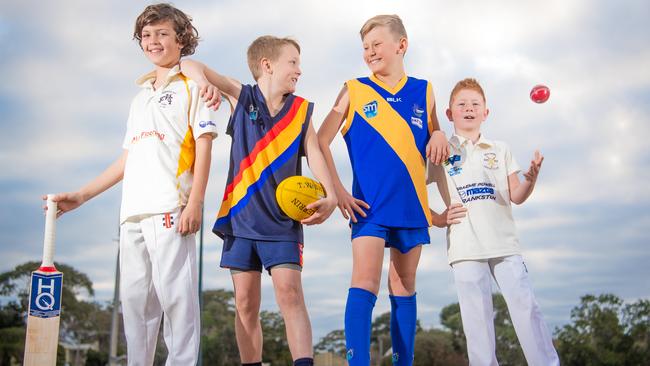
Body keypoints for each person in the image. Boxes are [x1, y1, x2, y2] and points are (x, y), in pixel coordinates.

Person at [44, 4, 218, 364]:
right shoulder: (139, 98)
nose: (153, 41)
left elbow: (204, 144)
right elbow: (130, 157)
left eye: (162, 33)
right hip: (132, 213)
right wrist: (82, 195)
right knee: (136, 306)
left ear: (182, 39)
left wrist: (196, 201)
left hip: (172, 208)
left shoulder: (194, 88)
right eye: (147, 35)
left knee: (177, 302)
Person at [180, 35, 337, 366]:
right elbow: (188, 63)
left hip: (282, 224)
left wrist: (331, 195)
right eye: (293, 62)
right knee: (245, 303)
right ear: (268, 65)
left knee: (290, 294)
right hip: (240, 219)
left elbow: (316, 154)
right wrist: (204, 84)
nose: (299, 70)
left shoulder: (301, 111)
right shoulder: (241, 96)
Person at [317, 14, 449, 366]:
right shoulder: (354, 89)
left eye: (377, 44)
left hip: (411, 207)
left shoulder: (425, 90)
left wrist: (439, 133)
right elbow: (320, 140)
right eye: (365, 47)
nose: (370, 52)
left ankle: (403, 362)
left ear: (401, 45)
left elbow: (438, 144)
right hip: (369, 207)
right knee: (364, 281)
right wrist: (339, 191)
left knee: (404, 285)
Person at [428, 78, 560, 365]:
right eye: (461, 104)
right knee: (477, 322)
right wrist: (435, 218)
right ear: (450, 114)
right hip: (465, 247)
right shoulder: (440, 149)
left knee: (526, 308)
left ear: (486, 112)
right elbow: (409, 186)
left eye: (476, 104)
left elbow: (516, 194)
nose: (469, 109)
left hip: (504, 243)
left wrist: (531, 178)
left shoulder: (500, 148)